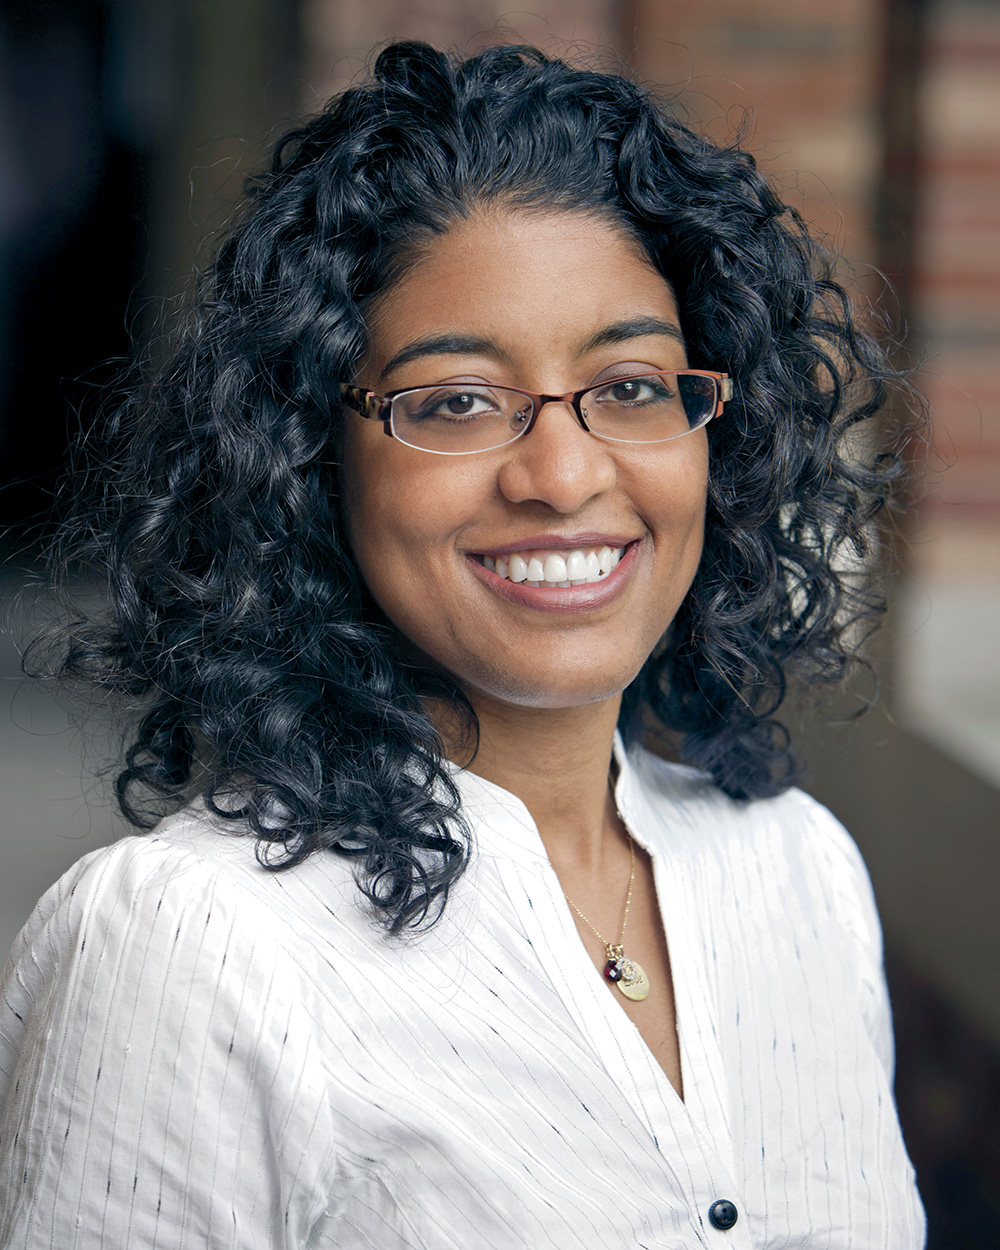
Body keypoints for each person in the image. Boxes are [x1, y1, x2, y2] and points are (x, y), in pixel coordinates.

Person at [0, 40, 924, 1249]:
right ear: (308, 462)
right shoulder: (191, 943)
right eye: (455, 401)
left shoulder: (800, 875)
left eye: (632, 385)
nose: (562, 474)